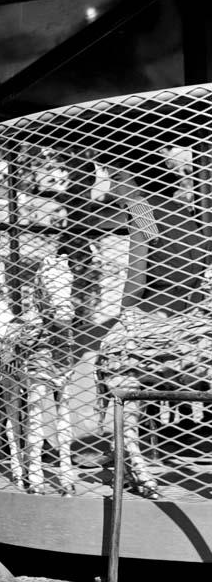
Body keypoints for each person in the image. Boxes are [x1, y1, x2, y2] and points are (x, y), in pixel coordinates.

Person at [96, 151, 212, 497]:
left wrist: (123, 317)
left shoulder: (143, 210)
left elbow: (137, 274)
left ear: (127, 174)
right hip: (189, 315)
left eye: (112, 175)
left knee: (111, 356)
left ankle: (127, 456)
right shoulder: (187, 213)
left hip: (153, 316)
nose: (109, 185)